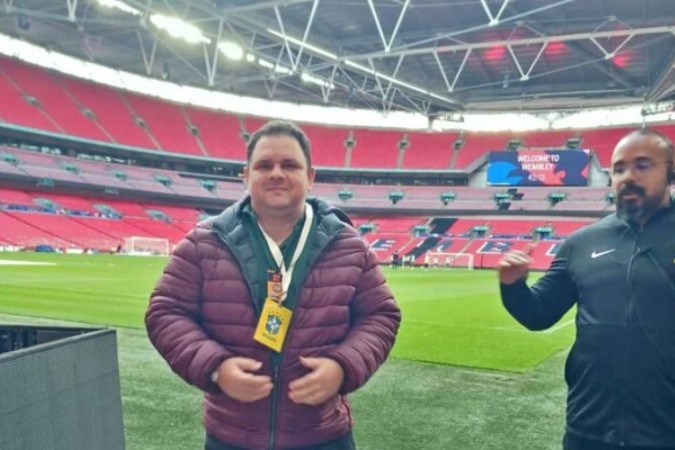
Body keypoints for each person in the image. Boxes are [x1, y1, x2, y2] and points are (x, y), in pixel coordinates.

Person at [145, 120, 401, 450]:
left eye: (290, 165)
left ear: (310, 177)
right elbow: (164, 312)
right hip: (232, 436)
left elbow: (381, 316)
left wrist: (343, 366)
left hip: (323, 435)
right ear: (246, 175)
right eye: (264, 165)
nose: (277, 173)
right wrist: (216, 368)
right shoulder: (203, 243)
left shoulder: (348, 245)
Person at [497, 128, 675, 450]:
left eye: (643, 165)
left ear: (671, 171)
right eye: (619, 168)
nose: (628, 176)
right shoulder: (582, 242)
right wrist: (512, 285)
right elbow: (539, 314)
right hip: (588, 430)